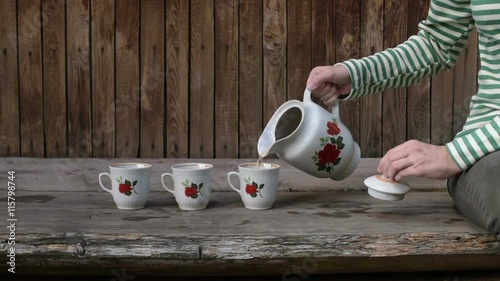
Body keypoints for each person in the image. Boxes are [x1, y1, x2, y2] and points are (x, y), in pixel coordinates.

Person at [306, 0, 500, 237]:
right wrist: (355, 74)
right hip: (489, 152)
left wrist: (455, 155)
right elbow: (437, 43)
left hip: (473, 149)